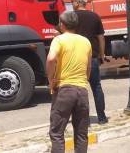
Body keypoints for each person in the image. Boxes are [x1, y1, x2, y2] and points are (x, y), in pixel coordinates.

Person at [46, 11, 92, 153]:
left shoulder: (59, 40)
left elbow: (51, 59)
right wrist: (84, 81)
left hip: (64, 90)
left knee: (57, 132)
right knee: (81, 133)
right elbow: (88, 67)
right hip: (82, 90)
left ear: (62, 24)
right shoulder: (86, 41)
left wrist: (51, 80)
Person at [72, 0, 108, 125]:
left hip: (77, 59)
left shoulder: (72, 18)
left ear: (77, 3)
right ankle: (102, 117)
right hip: (92, 57)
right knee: (96, 87)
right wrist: (102, 55)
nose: (71, 4)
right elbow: (101, 37)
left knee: (80, 89)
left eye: (72, 1)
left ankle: (83, 120)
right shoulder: (95, 16)